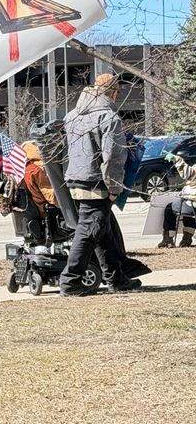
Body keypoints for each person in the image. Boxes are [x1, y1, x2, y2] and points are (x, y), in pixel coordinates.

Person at [59, 73, 141, 296]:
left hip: (75, 179)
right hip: (96, 182)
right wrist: (115, 188)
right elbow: (113, 157)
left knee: (102, 232)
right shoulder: (109, 118)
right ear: (112, 92)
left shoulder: (72, 115)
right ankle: (70, 282)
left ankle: (117, 279)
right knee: (88, 231)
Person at [157, 151, 196, 248]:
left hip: (192, 204)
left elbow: (188, 173)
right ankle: (187, 239)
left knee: (170, 208)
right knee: (188, 210)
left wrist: (177, 159)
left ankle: (168, 240)